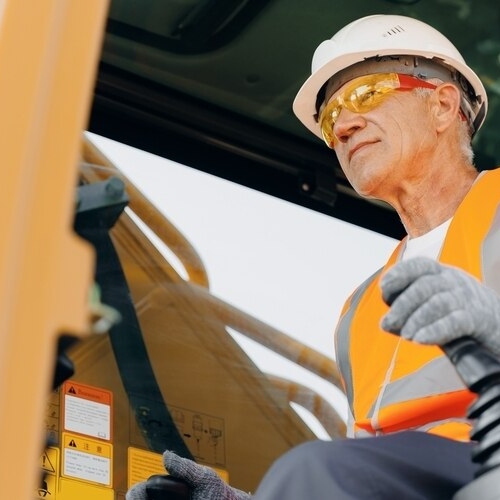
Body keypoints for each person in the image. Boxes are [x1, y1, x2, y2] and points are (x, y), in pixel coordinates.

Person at [126, 13, 500, 500]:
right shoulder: (360, 308)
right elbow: (366, 466)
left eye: (364, 94)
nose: (343, 125)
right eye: (329, 118)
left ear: (443, 105)